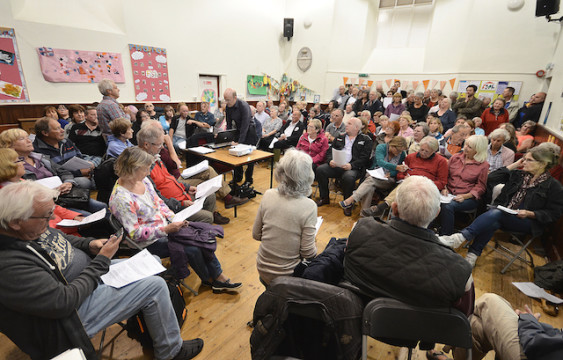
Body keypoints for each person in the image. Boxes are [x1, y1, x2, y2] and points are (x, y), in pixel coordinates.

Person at [0, 181, 204, 360]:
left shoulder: (29, 227)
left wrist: (90, 244)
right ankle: (170, 350)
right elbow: (63, 302)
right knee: (156, 286)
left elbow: (60, 238)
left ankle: (149, 326)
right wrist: (101, 261)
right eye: (46, 216)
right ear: (16, 222)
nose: (51, 219)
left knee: (153, 261)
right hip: (70, 316)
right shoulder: (9, 264)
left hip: (87, 278)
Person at [109, 147, 241, 292]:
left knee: (199, 236)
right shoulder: (121, 199)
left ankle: (217, 277)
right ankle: (213, 279)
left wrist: (175, 218)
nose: (148, 172)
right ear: (134, 169)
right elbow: (135, 234)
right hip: (150, 241)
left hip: (166, 227)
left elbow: (159, 203)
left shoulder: (143, 180)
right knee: (193, 245)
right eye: (146, 169)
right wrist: (166, 229)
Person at [343, 176, 473, 311]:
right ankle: (447, 240)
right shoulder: (461, 272)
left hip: (358, 318)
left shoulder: (358, 232)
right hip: (421, 330)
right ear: (436, 214)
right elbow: (462, 320)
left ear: (394, 208)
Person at [439, 146, 563, 268]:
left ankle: (462, 237)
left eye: (528, 160)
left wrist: (530, 213)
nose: (524, 162)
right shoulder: (519, 175)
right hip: (505, 214)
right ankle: (472, 255)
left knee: (495, 214)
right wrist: (515, 165)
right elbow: (491, 178)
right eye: (524, 159)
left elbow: (554, 214)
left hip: (528, 221)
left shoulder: (553, 186)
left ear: (542, 164)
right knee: (494, 219)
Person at [136, 126, 231, 224]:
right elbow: (157, 199)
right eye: (159, 144)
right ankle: (197, 229)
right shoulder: (144, 169)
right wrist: (180, 204)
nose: (162, 147)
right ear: (146, 145)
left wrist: (186, 187)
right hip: (174, 206)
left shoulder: (154, 157)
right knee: (208, 217)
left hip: (180, 195)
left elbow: (170, 178)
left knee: (210, 196)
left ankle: (201, 227)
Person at [253, 149, 317, 286]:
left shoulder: (268, 194)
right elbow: (308, 252)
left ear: (280, 172)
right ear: (308, 176)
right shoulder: (309, 206)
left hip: (262, 269)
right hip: (287, 276)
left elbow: (256, 234)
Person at [369, 136, 448, 217]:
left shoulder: (441, 161)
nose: (423, 153)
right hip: (408, 182)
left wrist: (424, 182)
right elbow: (400, 173)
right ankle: (390, 214)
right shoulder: (411, 157)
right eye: (421, 149)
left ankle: (383, 207)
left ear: (433, 151)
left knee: (408, 190)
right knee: (406, 187)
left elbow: (442, 182)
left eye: (427, 151)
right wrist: (404, 177)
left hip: (426, 188)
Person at [339, 136, 407, 216]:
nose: (399, 153)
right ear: (392, 145)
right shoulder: (381, 147)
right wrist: (396, 167)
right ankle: (364, 214)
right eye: (398, 150)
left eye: (401, 151)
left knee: (370, 180)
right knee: (370, 186)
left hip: (388, 180)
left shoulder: (402, 154)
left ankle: (352, 199)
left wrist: (392, 173)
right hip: (375, 173)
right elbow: (380, 162)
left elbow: (398, 171)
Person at [315, 117, 373, 207]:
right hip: (336, 165)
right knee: (320, 170)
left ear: (357, 128)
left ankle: (347, 203)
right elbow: (329, 151)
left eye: (349, 124)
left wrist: (351, 165)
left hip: (353, 168)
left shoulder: (366, 140)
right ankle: (324, 197)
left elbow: (364, 158)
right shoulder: (340, 136)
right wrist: (330, 160)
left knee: (348, 177)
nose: (346, 125)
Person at [439, 135, 489, 235]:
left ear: (478, 150)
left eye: (470, 147)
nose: (465, 148)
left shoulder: (483, 165)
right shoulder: (455, 157)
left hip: (467, 197)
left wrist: (464, 196)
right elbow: (445, 175)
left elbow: (480, 187)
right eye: (466, 145)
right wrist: (444, 187)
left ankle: (446, 236)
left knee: (448, 206)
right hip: (448, 193)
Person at [33, 117, 95, 189]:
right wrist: (79, 173)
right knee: (84, 182)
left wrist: (87, 165)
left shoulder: (66, 142)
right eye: (57, 129)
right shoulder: (37, 150)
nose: (62, 130)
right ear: (45, 133)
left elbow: (79, 157)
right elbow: (52, 173)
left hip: (79, 173)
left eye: (61, 127)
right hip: (61, 180)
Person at [224, 88, 258, 185]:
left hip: (250, 131)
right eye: (225, 100)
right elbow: (229, 124)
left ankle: (248, 179)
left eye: (228, 100)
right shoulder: (228, 107)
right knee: (236, 155)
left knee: (249, 157)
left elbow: (245, 125)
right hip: (239, 130)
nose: (226, 102)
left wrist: (240, 142)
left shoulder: (243, 105)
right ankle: (238, 177)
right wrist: (229, 138)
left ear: (235, 97)